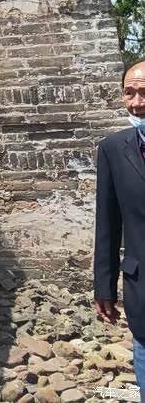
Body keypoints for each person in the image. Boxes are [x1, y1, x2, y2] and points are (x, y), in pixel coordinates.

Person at [93, 61, 145, 398]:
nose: (136, 102)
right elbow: (108, 221)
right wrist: (104, 285)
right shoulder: (113, 148)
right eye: (129, 93)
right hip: (143, 287)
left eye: (144, 93)